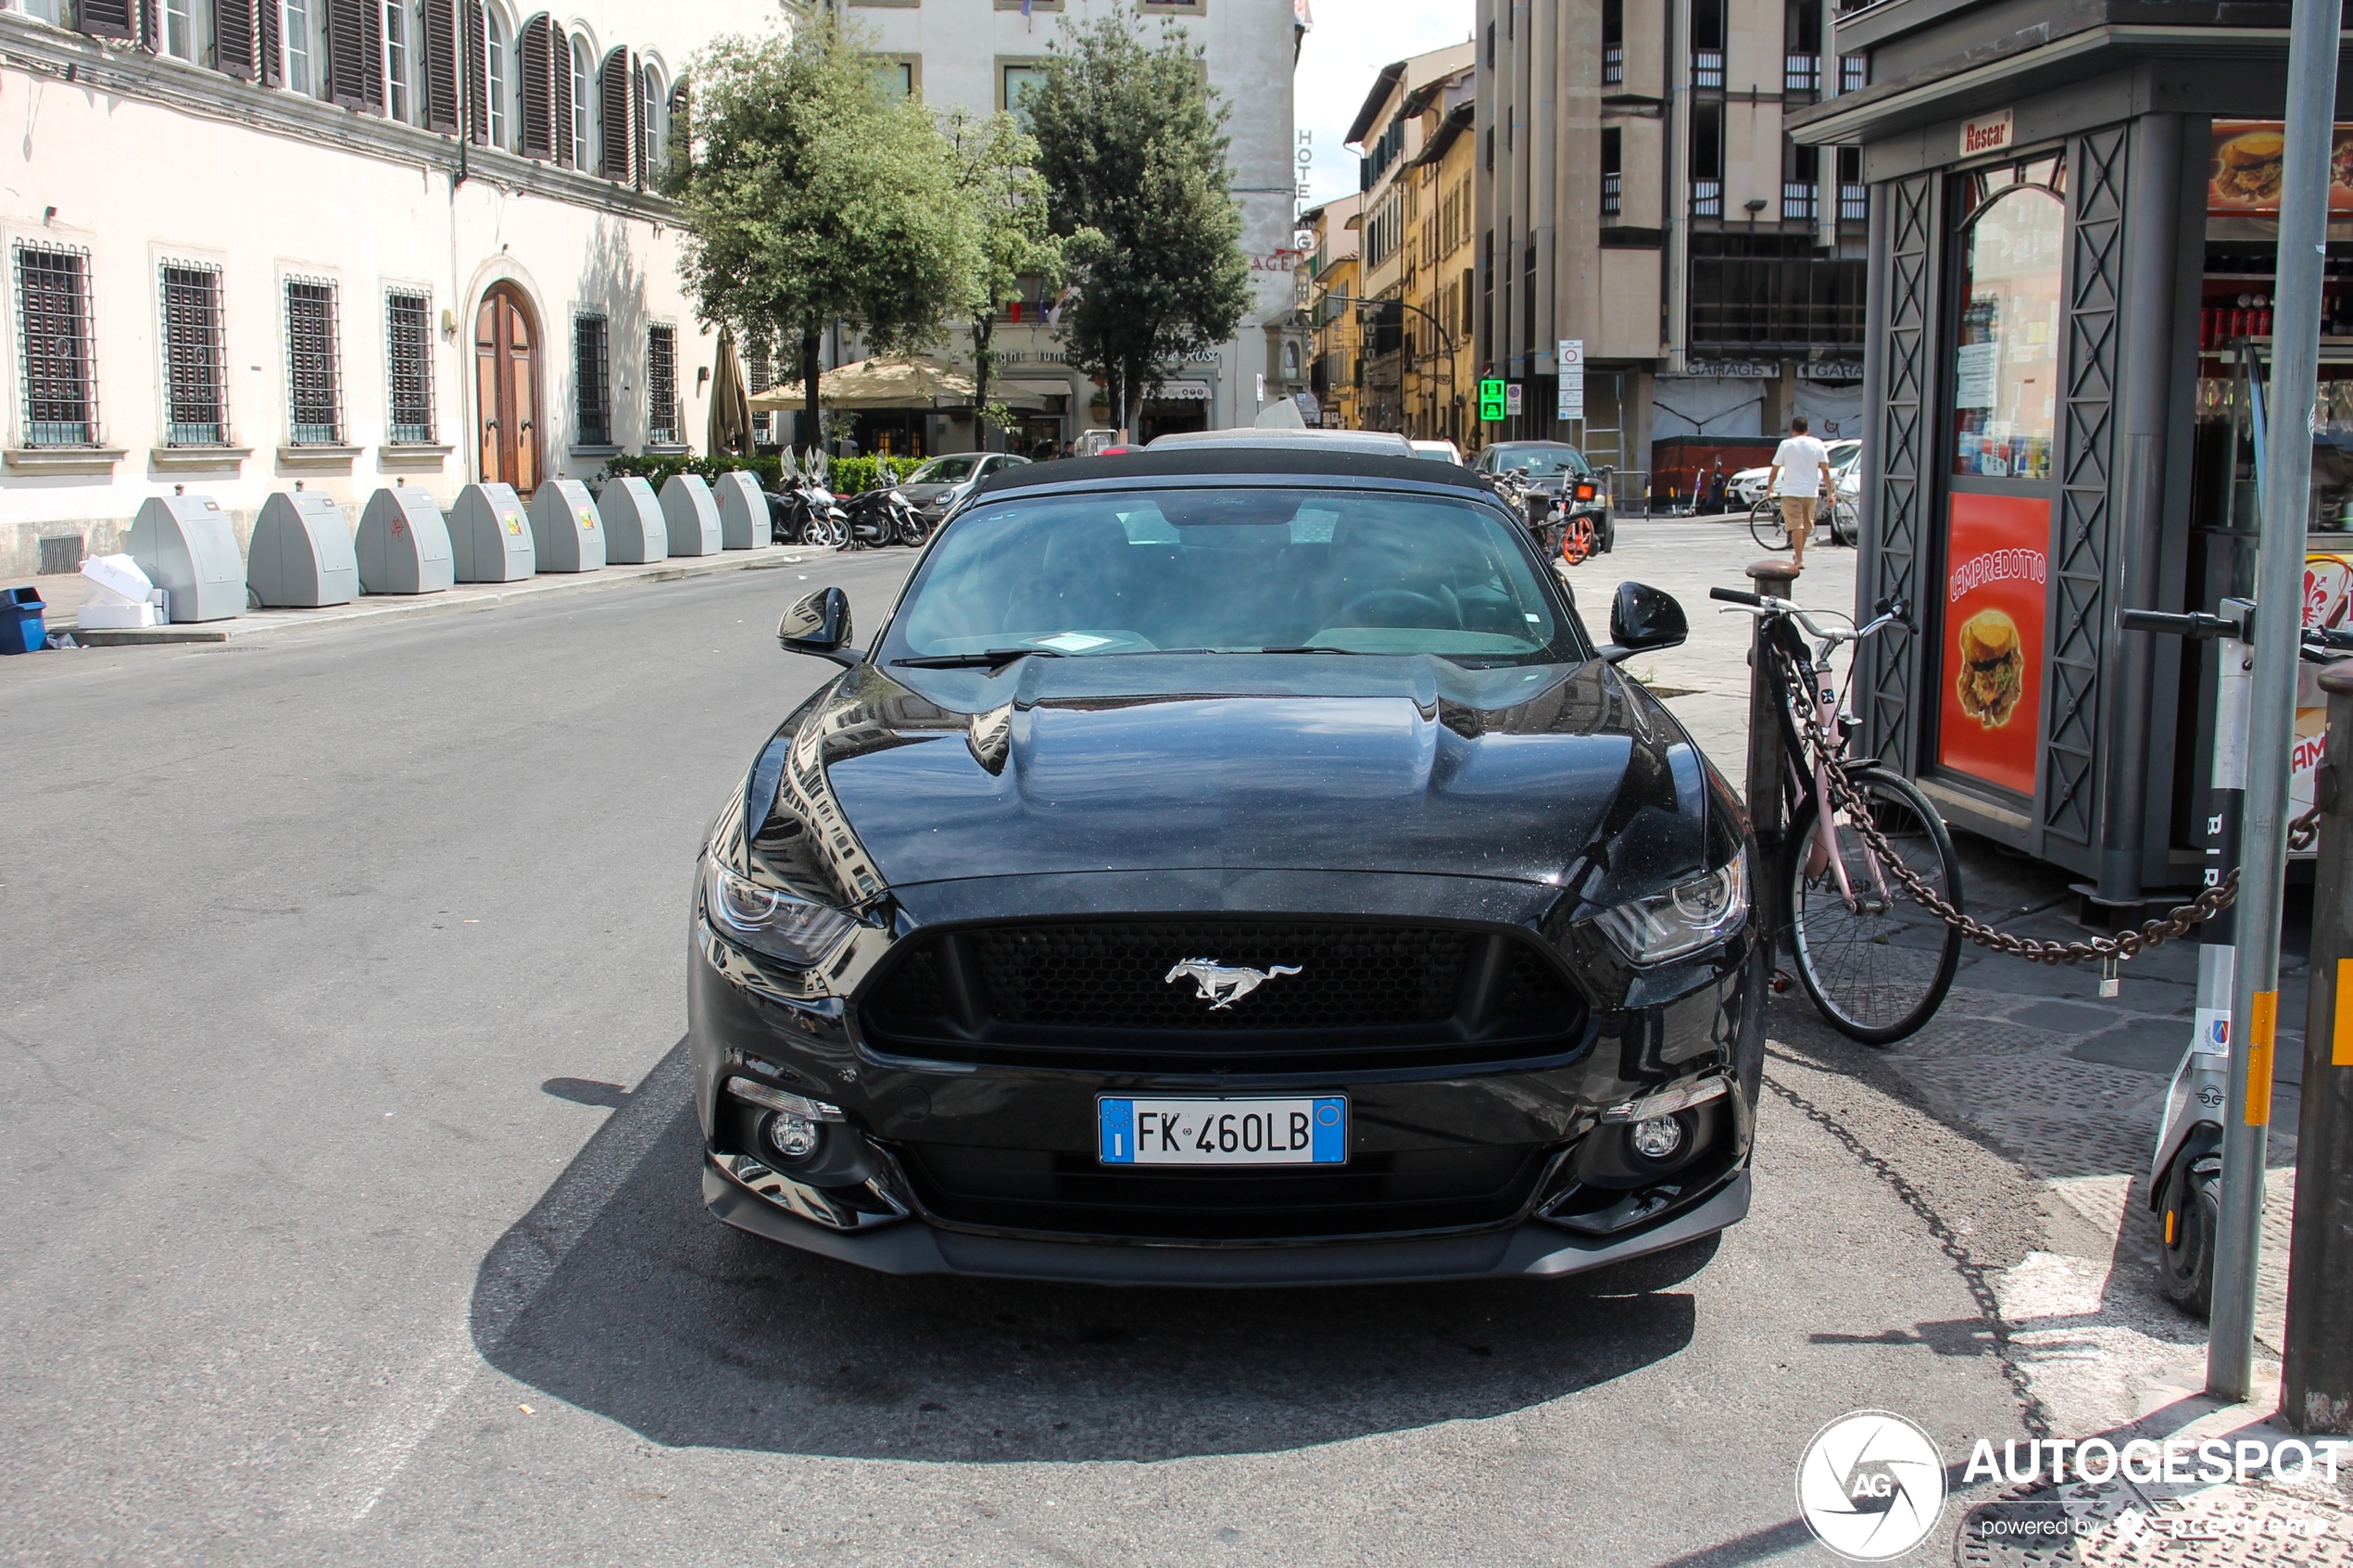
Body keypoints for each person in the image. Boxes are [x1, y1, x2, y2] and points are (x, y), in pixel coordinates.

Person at [1767, 415, 1831, 571]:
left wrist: (1770, 488)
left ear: (1792, 430)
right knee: (1806, 526)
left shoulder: (1786, 444)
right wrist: (1830, 493)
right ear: (1807, 430)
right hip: (1811, 491)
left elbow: (1775, 469)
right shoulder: (1817, 444)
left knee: (1796, 525)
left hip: (1791, 490)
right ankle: (1799, 555)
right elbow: (1825, 469)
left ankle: (1799, 557)